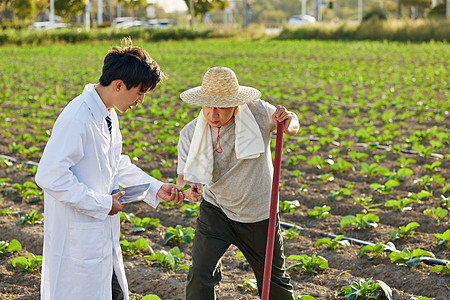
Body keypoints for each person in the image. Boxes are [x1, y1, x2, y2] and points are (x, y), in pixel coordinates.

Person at [35, 37, 184, 300]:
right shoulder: (77, 116)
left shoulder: (106, 112)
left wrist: (155, 187)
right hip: (78, 236)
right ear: (118, 85)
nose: (140, 101)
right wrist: (102, 203)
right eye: (139, 93)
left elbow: (115, 163)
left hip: (98, 234)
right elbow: (49, 175)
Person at [176, 66, 300, 299]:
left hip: (258, 214)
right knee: (200, 273)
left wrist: (288, 122)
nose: (213, 114)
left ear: (235, 103)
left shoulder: (258, 113)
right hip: (217, 209)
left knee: (275, 284)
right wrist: (189, 191)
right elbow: (183, 181)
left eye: (221, 107)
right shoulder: (190, 134)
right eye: (208, 105)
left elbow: (292, 123)